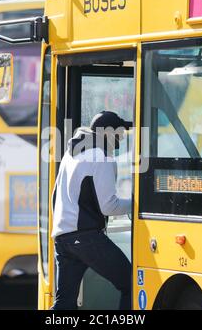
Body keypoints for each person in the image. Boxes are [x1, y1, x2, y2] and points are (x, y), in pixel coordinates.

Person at [51, 111, 132, 310]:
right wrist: (139, 204)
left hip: (62, 238)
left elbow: (54, 196)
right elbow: (109, 206)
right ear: (108, 133)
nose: (121, 139)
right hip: (86, 238)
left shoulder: (72, 154)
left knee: (64, 303)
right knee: (132, 283)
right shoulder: (101, 156)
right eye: (119, 134)